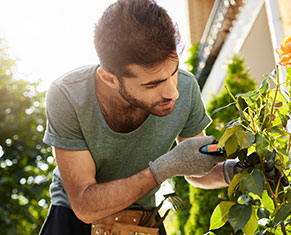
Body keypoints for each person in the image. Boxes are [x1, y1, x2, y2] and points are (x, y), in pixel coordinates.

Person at [39, 0, 240, 234]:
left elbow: (197, 171)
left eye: (173, 72)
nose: (172, 93)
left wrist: (237, 169)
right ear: (110, 79)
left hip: (144, 221)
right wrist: (164, 167)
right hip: (74, 222)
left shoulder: (186, 88)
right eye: (152, 84)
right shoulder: (67, 95)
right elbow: (85, 206)